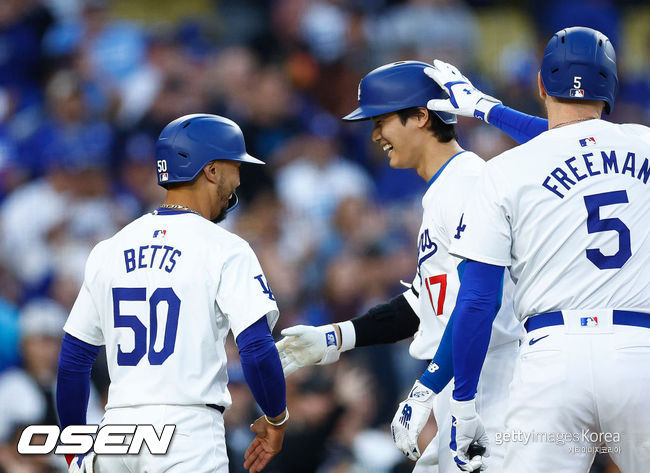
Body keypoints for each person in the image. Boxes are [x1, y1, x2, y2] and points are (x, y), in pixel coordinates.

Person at [275, 61, 523, 473]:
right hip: (470, 379)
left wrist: (427, 387)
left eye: (381, 120)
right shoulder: (447, 187)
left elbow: (480, 303)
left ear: (421, 116)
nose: (375, 135)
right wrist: (335, 338)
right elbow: (425, 302)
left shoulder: (466, 184)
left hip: (493, 383)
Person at [422, 27, 650, 472]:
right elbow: (576, 139)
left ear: (542, 85)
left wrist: (465, 404)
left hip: (551, 361)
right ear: (612, 87)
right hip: (639, 353)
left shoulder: (504, 170)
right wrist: (488, 109)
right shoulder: (645, 143)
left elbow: (478, 299)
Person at [56, 114, 289, 473]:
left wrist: (75, 452)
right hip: (187, 432)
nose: (239, 179)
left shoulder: (111, 247)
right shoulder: (226, 248)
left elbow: (73, 361)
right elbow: (257, 351)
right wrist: (276, 418)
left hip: (116, 432)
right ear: (211, 170)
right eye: (234, 167)